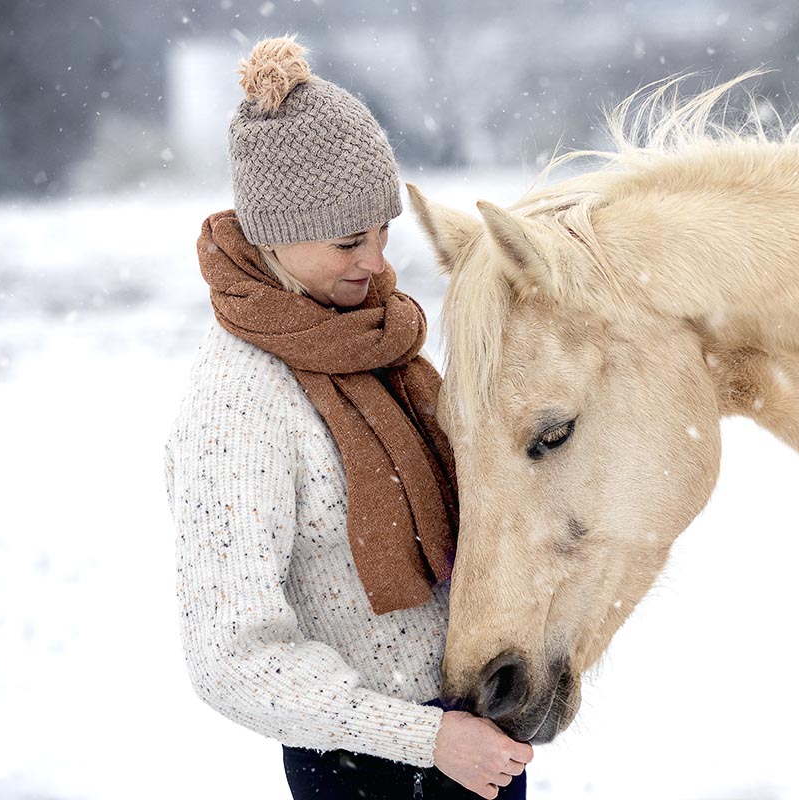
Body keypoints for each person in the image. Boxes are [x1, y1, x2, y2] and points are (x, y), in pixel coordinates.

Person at [163, 35, 532, 800]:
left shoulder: (378, 336)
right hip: (367, 773)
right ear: (273, 234)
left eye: (382, 231)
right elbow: (230, 657)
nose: (375, 260)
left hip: (479, 741)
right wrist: (424, 740)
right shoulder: (240, 402)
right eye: (347, 240)